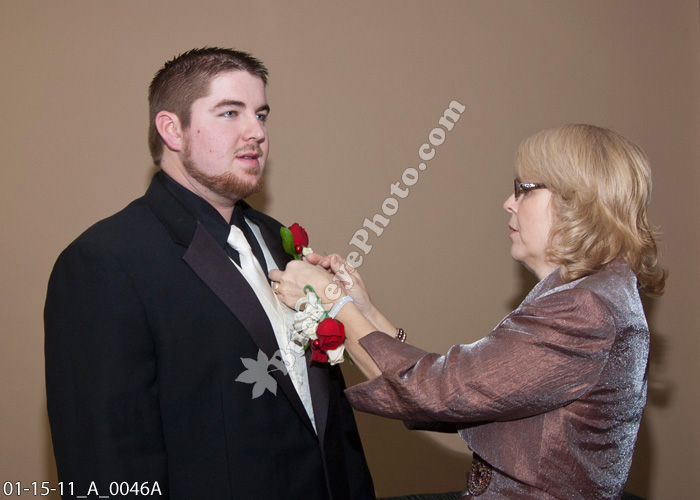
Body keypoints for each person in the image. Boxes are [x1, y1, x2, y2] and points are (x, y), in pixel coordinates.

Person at [44, 47, 374, 500]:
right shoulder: (104, 262)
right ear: (172, 129)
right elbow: (104, 464)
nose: (257, 132)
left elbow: (324, 414)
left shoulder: (279, 240)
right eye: (230, 112)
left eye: (261, 115)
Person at [270, 124, 666, 499]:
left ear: (577, 200)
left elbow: (438, 392)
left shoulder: (584, 308)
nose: (509, 202)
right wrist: (363, 309)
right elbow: (463, 392)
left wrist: (328, 298)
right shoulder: (593, 294)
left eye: (524, 189)